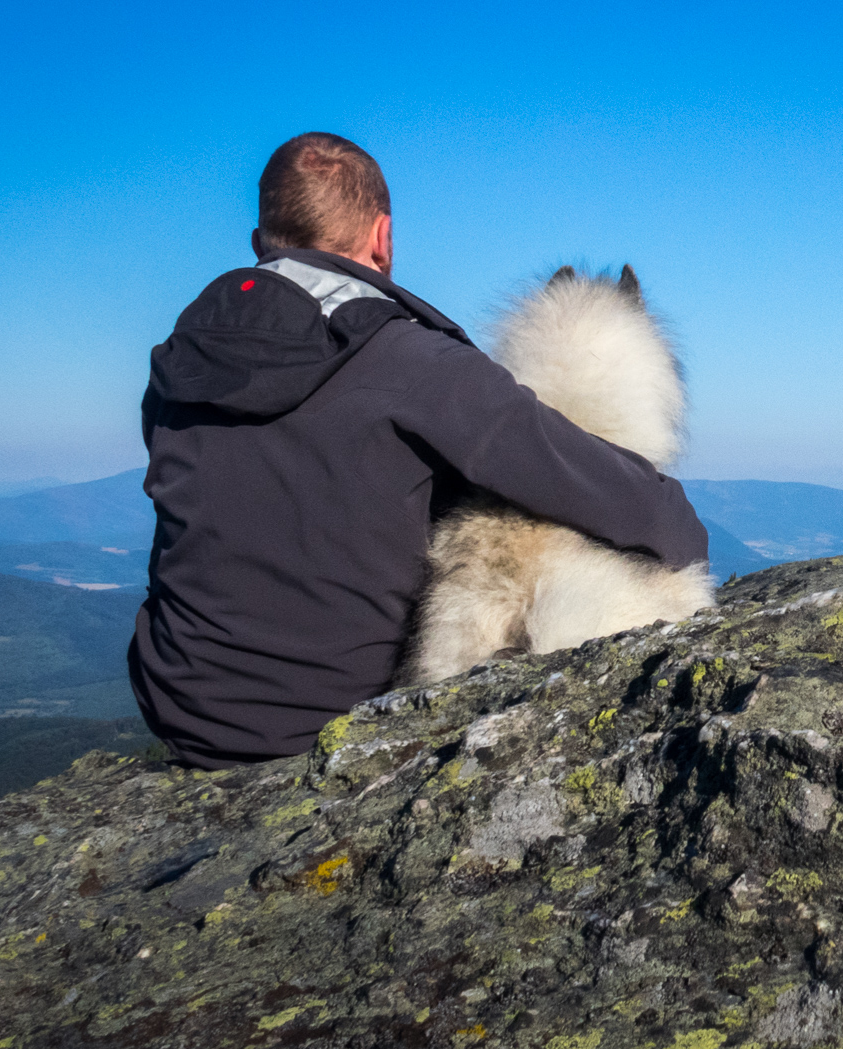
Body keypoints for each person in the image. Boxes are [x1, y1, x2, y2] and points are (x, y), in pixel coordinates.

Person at [129, 133, 708, 769]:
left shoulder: (179, 366)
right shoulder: (413, 362)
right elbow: (630, 503)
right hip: (333, 724)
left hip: (180, 707)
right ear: (383, 237)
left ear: (259, 242)